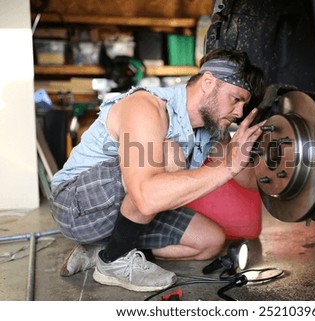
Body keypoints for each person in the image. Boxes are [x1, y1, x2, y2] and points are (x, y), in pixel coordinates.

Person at [50, 48, 266, 292]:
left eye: (243, 105)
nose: (239, 112)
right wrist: (228, 165)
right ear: (208, 82)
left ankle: (103, 251)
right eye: (235, 99)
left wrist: (257, 150)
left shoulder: (212, 129)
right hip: (74, 205)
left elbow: (247, 179)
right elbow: (146, 196)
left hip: (129, 205)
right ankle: (114, 261)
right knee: (170, 153)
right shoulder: (147, 106)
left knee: (210, 241)